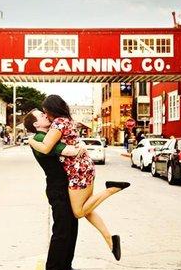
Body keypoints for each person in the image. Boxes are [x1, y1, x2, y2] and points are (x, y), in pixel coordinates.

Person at [28, 95, 129, 261]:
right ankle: (110, 240)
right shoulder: (67, 120)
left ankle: (111, 189)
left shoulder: (58, 123)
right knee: (88, 210)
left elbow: (46, 148)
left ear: (51, 109)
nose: (45, 114)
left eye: (45, 111)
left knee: (79, 211)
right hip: (84, 167)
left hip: (77, 171)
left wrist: (31, 141)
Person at [23, 110, 85, 270]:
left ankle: (65, 264)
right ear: (36, 125)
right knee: (62, 230)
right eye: (41, 116)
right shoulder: (42, 139)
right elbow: (70, 151)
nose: (45, 116)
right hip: (57, 189)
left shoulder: (46, 135)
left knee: (72, 226)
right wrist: (79, 148)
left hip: (64, 187)